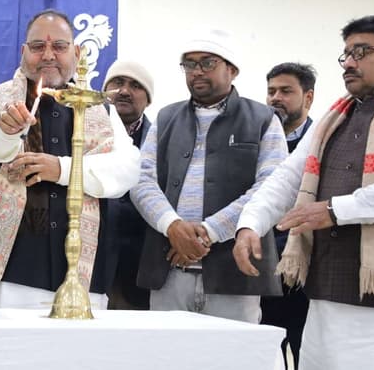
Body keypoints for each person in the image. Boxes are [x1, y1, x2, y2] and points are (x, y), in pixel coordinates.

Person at [234, 12, 374, 370]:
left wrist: (334, 210)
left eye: (361, 52)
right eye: (346, 54)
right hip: (328, 298)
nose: (349, 62)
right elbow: (287, 177)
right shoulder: (333, 120)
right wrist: (250, 224)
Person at [0, 9, 140, 308]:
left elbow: (128, 169)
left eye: (59, 46)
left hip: (84, 279)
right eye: (37, 47)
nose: (48, 55)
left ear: (77, 53)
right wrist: (4, 132)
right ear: (23, 52)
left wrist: (61, 169)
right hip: (9, 278)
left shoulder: (101, 110)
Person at [130, 28, 287, 322]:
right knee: (166, 348)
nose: (197, 71)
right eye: (189, 64)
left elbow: (272, 187)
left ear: (232, 70)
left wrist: (209, 233)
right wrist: (172, 226)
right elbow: (141, 180)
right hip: (169, 271)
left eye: (207, 63)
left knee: (233, 350)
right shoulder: (166, 118)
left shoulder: (263, 119)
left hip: (234, 274)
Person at [261, 62, 316, 368]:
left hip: (303, 270)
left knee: (303, 350)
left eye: (285, 91)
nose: (275, 98)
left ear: (308, 97)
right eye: (271, 91)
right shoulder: (256, 140)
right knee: (266, 353)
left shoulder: (321, 143)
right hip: (259, 267)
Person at [102, 59, 154, 310]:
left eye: (135, 85)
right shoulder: (76, 130)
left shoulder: (162, 139)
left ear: (148, 99)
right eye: (118, 82)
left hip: (140, 270)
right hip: (87, 262)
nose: (124, 91)